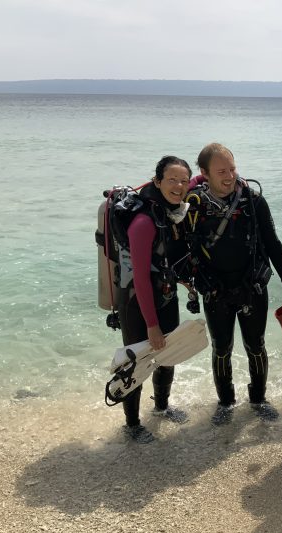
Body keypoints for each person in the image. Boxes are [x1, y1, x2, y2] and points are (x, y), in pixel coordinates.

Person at [180, 143, 282, 425]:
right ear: (204, 173)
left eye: (232, 168)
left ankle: (258, 400)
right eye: (221, 171)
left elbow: (273, 243)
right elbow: (183, 250)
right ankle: (226, 403)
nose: (230, 176)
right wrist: (193, 283)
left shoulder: (253, 201)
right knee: (221, 347)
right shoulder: (194, 206)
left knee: (255, 345)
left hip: (251, 286)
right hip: (215, 289)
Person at [114, 155, 193, 443]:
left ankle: (161, 407)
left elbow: (194, 182)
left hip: (165, 295)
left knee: (168, 356)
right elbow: (140, 278)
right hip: (138, 302)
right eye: (172, 179)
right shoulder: (144, 222)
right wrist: (151, 325)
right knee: (134, 363)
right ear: (157, 181)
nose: (179, 185)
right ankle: (132, 425)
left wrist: (220, 174)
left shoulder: (171, 211)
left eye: (183, 180)